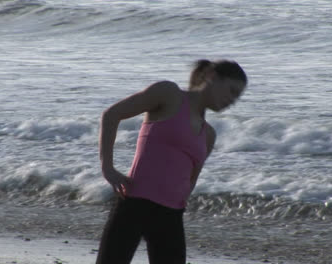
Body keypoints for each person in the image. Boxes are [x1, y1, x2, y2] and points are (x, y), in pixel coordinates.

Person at [96, 59, 248, 264]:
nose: (232, 100)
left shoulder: (209, 135)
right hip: (135, 206)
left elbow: (190, 181)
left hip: (171, 216)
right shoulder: (169, 94)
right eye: (231, 91)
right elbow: (112, 115)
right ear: (212, 76)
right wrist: (108, 168)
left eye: (237, 97)